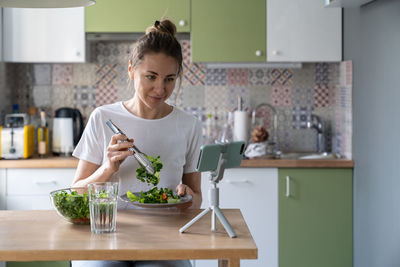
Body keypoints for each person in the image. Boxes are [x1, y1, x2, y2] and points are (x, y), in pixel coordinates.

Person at [71, 19, 202, 267]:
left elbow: (197, 200)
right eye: (150, 77)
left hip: (164, 242)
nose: (160, 89)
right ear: (131, 70)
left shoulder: (189, 125)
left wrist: (188, 198)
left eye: (170, 79)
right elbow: (77, 193)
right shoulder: (103, 117)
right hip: (105, 238)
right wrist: (107, 168)